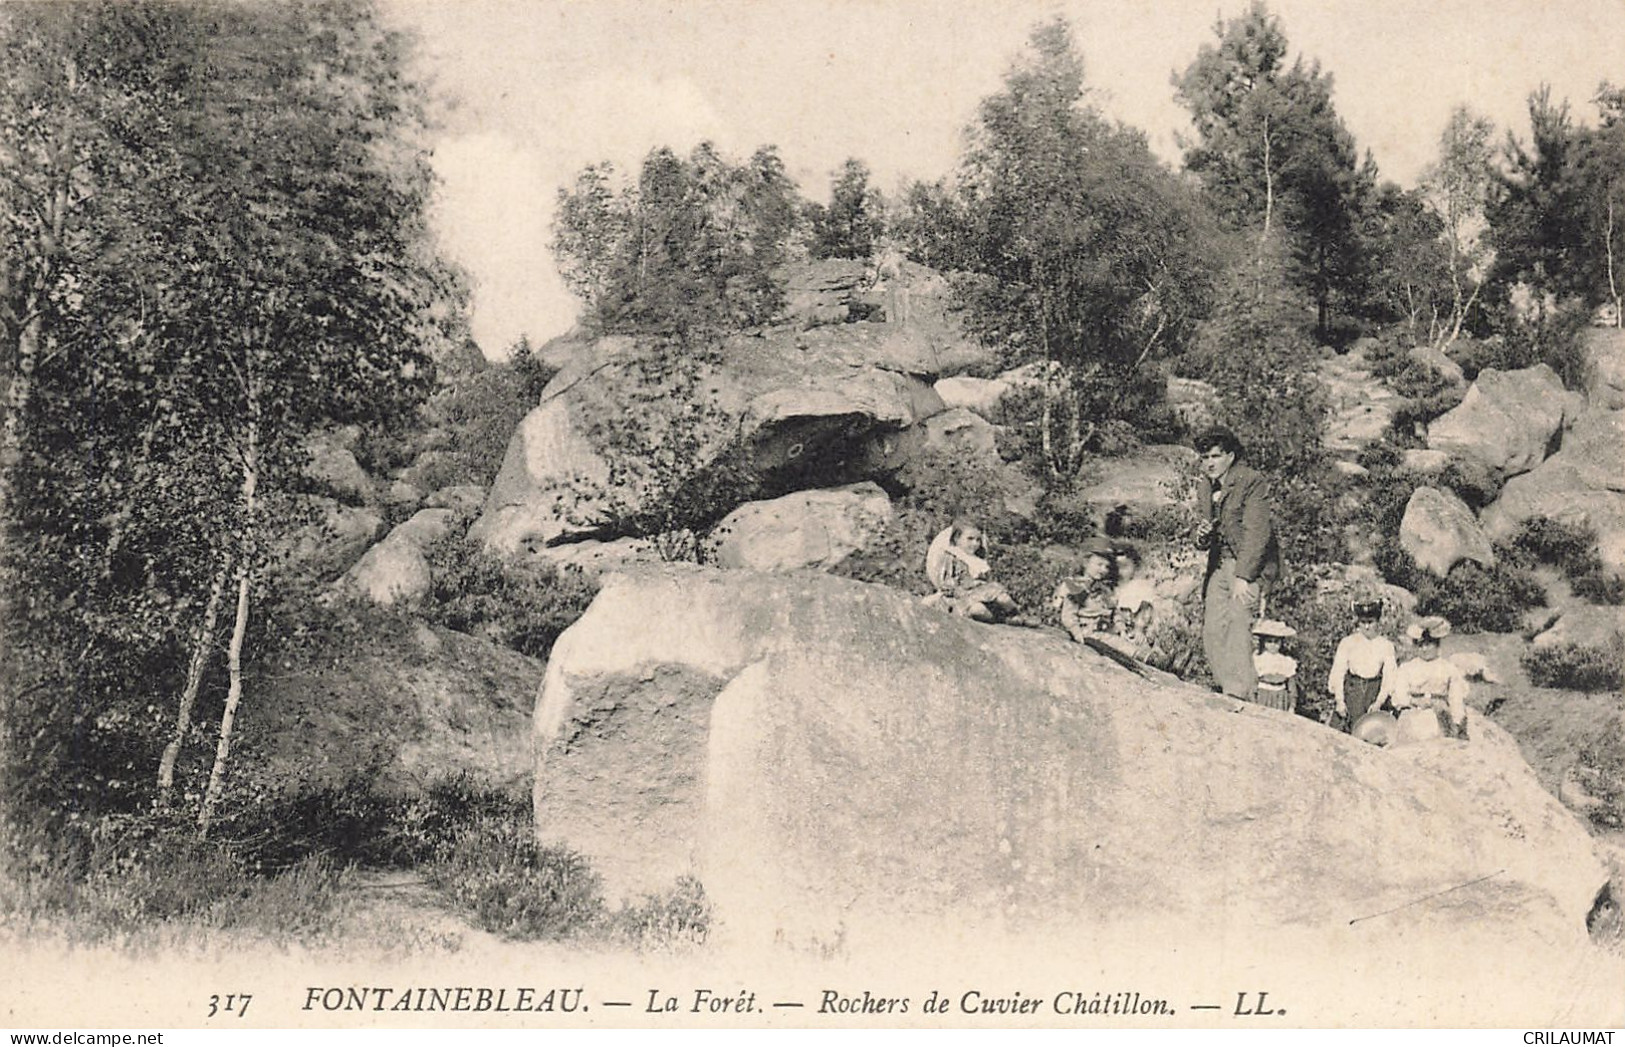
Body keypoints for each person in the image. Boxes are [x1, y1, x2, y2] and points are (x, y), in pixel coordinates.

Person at [1192, 427, 1281, 698]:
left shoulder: (1252, 481)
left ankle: (1241, 692)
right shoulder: (1206, 485)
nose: (1209, 463)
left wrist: (1244, 576)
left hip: (1247, 566)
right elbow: (1205, 530)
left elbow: (1258, 532)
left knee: (1238, 625)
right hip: (1219, 565)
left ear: (1230, 456)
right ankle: (1227, 686)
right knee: (1212, 628)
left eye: (1215, 456)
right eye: (1204, 457)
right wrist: (1201, 537)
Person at [1392, 616, 1470, 742]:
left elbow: (1456, 698)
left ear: (1437, 645)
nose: (1424, 649)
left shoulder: (1448, 668)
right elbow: (1398, 695)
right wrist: (1414, 701)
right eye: (1420, 645)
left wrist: (1457, 722)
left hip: (1441, 715)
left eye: (1428, 645)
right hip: (1414, 714)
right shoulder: (1407, 668)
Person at [923, 520, 1017, 623]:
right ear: (957, 538)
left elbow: (985, 580)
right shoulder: (952, 557)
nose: (975, 544)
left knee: (1003, 598)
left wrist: (981, 583)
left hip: (980, 593)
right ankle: (998, 620)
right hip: (960, 597)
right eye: (970, 539)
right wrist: (966, 586)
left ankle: (1014, 615)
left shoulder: (977, 560)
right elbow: (947, 584)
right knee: (978, 610)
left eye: (978, 540)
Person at [1327, 600, 1400, 729]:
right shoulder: (1348, 642)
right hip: (1352, 692)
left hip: (1373, 693)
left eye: (1370, 622)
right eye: (1363, 622)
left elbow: (1389, 678)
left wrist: (1379, 702)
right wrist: (1340, 700)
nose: (1366, 627)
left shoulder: (1386, 646)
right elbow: (1338, 672)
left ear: (1378, 622)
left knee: (1371, 733)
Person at [1053, 538, 1118, 642]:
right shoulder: (1074, 585)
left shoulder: (1104, 589)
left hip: (1104, 632)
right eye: (1099, 564)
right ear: (1086, 563)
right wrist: (1078, 634)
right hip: (1086, 634)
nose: (1103, 570)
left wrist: (1120, 626)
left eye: (1107, 567)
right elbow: (1068, 615)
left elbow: (1113, 611)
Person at [1250, 619, 1301, 711]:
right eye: (1269, 641)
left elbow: (1291, 686)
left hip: (1280, 697)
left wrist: (1292, 705)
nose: (1273, 645)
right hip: (1263, 696)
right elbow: (1253, 683)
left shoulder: (1286, 661)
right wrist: (1253, 701)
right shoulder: (1259, 659)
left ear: (1281, 643)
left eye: (1276, 642)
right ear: (1264, 642)